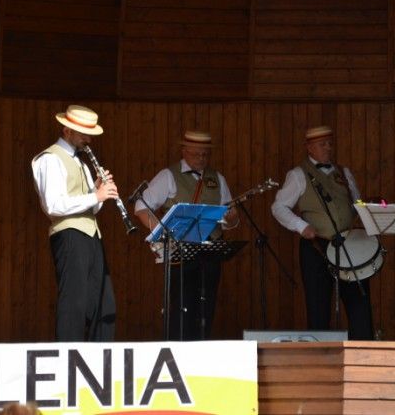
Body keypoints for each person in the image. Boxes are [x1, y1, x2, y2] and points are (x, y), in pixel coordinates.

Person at [271, 126, 374, 340]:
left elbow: (356, 204)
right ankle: (320, 352)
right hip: (317, 245)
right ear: (309, 148)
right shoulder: (298, 175)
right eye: (322, 144)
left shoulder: (344, 173)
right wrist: (301, 226)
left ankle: (363, 349)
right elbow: (278, 207)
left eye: (329, 143)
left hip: (348, 245)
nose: (328, 148)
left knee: (359, 302)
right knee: (318, 305)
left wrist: (368, 213)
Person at [134, 130, 239, 340]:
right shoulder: (168, 176)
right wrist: (162, 234)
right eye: (196, 154)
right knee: (181, 306)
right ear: (184, 151)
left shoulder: (218, 178)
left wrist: (231, 218)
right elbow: (141, 207)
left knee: (207, 305)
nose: (201, 159)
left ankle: (202, 347)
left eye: (205, 155)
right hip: (180, 251)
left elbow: (231, 221)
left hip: (210, 251)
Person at [31, 104, 117, 341]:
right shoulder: (50, 159)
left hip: (91, 234)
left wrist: (98, 192)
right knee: (73, 303)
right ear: (67, 130)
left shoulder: (81, 162)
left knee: (104, 304)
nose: (88, 139)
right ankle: (69, 355)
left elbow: (92, 208)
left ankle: (99, 356)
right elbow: (54, 205)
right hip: (68, 235)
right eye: (83, 134)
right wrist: (95, 196)